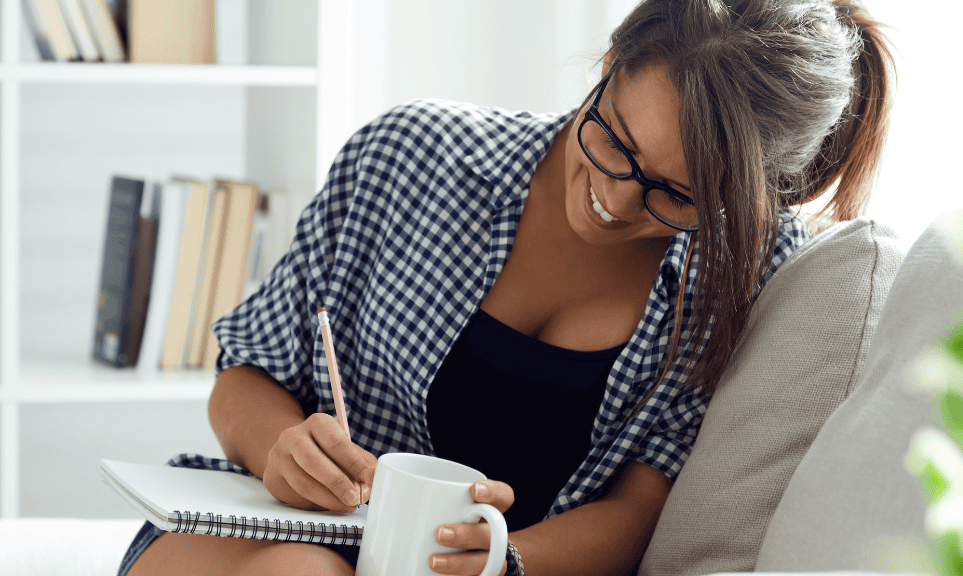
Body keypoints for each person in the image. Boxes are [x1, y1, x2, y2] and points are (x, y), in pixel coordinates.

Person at [120, 0, 895, 575]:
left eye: (676, 196)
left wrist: (500, 558)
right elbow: (244, 376)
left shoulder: (741, 275)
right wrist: (280, 446)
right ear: (607, 67)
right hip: (276, 531)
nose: (616, 202)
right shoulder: (411, 154)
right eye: (615, 139)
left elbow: (640, 504)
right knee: (304, 569)